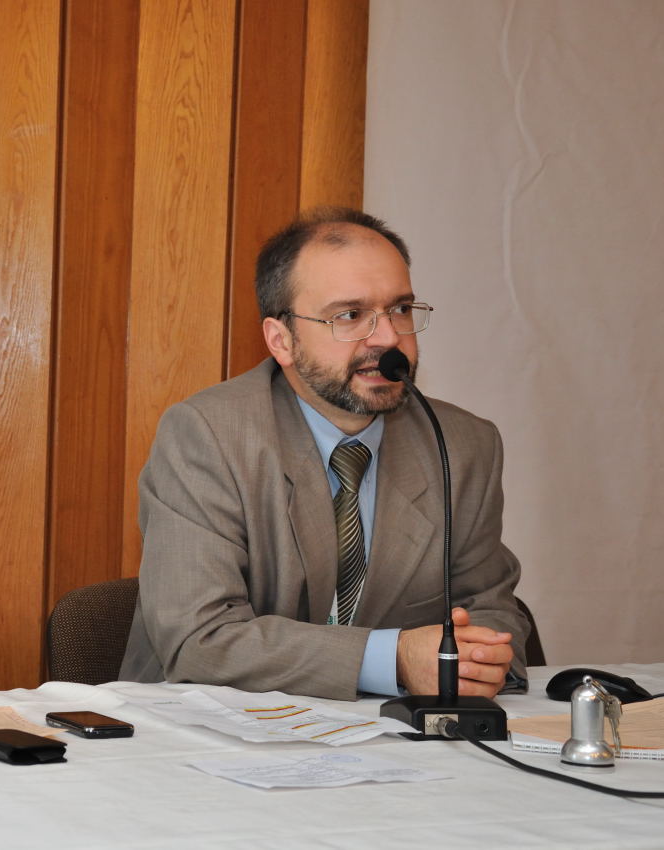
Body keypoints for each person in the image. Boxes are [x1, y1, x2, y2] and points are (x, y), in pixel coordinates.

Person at [119, 208, 527, 701]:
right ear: (282, 340)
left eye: (400, 309)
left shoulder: (463, 445)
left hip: (390, 735)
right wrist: (394, 659)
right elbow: (200, 640)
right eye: (349, 316)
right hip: (205, 727)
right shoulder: (208, 437)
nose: (387, 338)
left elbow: (490, 608)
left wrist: (480, 658)